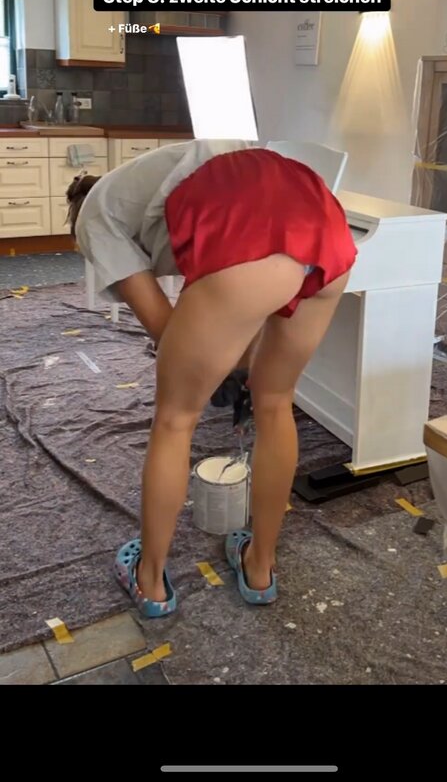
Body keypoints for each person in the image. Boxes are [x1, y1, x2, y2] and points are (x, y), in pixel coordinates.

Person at [67, 139, 357, 616]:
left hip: (247, 242)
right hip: (327, 231)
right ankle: (260, 567)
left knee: (175, 418)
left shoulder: (94, 219)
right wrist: (239, 366)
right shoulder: (164, 177)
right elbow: (263, 287)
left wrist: (213, 371)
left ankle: (150, 581)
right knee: (275, 401)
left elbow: (164, 327)